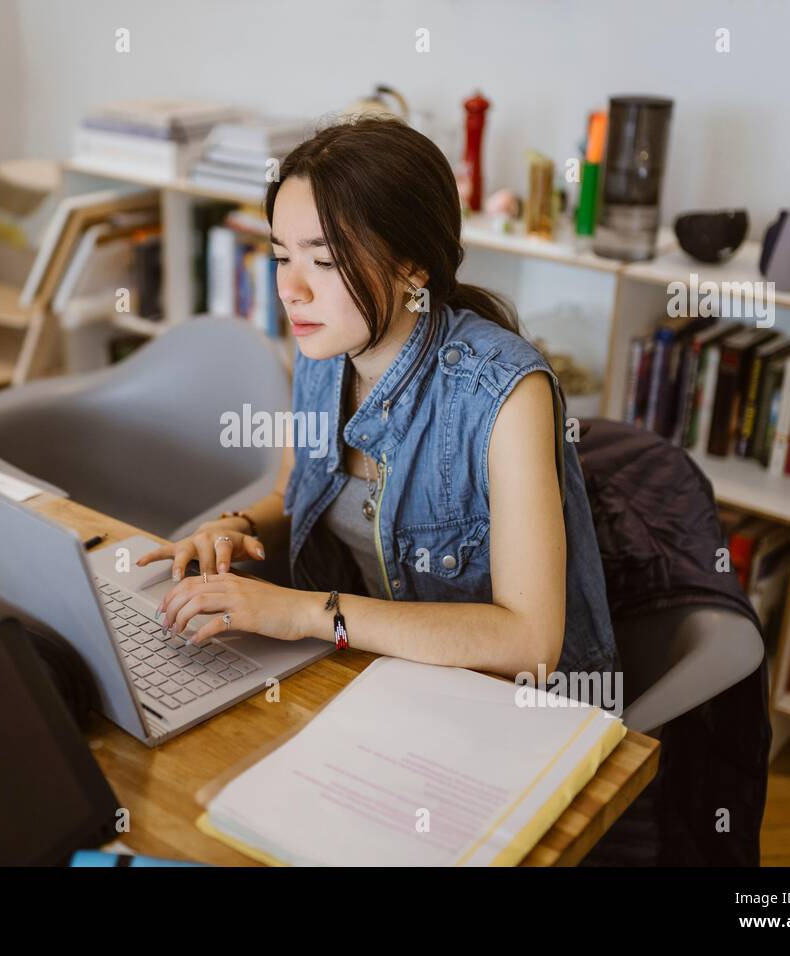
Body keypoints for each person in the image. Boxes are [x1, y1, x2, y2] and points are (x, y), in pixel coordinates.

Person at [138, 116, 616, 682]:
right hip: (373, 676)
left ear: (411, 266)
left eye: (324, 261)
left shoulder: (506, 395)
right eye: (281, 257)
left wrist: (308, 614)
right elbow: (292, 495)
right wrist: (237, 527)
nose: (291, 290)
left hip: (508, 709)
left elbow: (529, 643)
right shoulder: (325, 350)